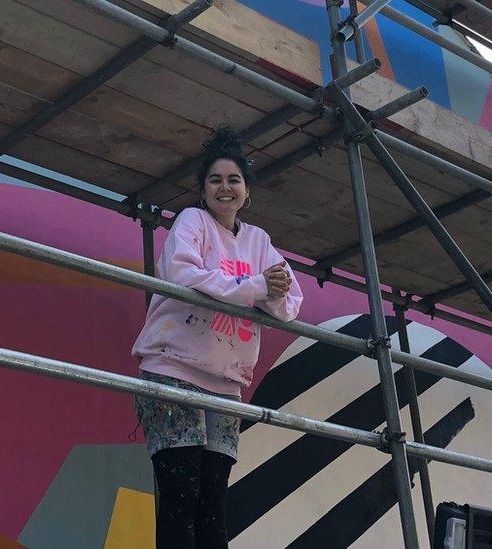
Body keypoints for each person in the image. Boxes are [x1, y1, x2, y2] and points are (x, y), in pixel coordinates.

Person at [132, 127, 303, 548]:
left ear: (247, 191)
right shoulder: (193, 223)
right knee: (180, 498)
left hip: (226, 383)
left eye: (233, 180)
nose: (224, 188)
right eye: (215, 180)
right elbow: (183, 274)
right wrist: (258, 288)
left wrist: (269, 292)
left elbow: (290, 300)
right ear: (202, 190)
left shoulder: (258, 241)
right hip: (174, 370)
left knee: (212, 505)